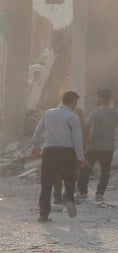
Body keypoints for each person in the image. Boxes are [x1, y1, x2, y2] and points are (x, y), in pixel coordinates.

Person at [32, 90, 87, 222]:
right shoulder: (73, 117)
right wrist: (81, 157)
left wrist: (36, 146)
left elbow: (37, 133)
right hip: (67, 152)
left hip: (49, 151)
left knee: (46, 184)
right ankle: (69, 198)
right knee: (69, 179)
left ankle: (43, 215)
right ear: (73, 101)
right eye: (76, 102)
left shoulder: (48, 113)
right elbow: (77, 139)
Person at [79, 89, 118, 203]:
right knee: (105, 172)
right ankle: (99, 194)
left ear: (101, 98)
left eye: (97, 97)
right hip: (108, 147)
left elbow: (87, 125)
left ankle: (83, 192)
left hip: (93, 146)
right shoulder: (115, 112)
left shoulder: (95, 112)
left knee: (85, 170)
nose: (96, 99)